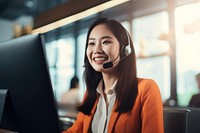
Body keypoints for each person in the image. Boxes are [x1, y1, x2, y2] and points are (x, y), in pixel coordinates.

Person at [63, 18, 164, 133]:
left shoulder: (146, 89)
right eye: (91, 43)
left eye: (105, 42)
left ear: (125, 50)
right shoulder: (92, 94)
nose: (96, 50)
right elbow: (76, 131)